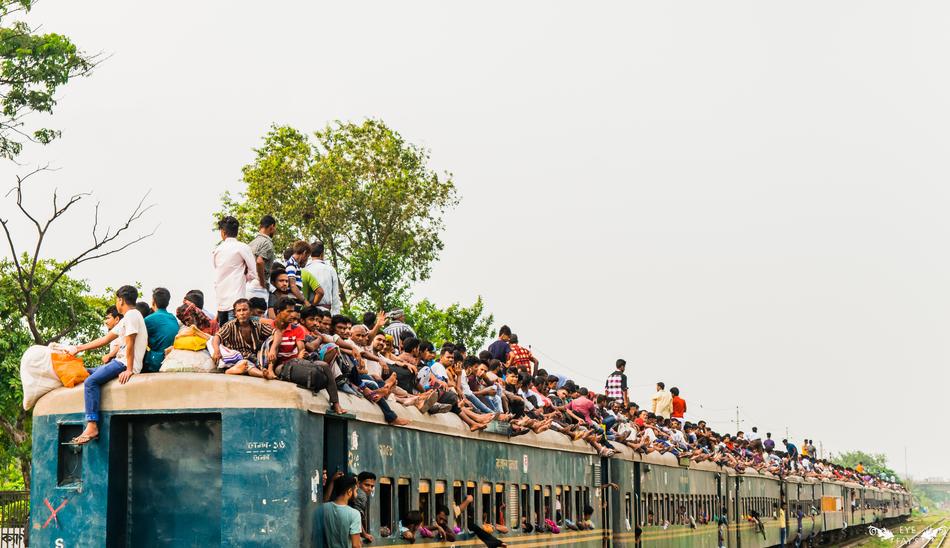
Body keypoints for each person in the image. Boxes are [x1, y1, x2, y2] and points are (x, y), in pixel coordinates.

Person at [64, 286, 146, 445]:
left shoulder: (132, 316)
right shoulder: (128, 317)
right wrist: (78, 348)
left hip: (123, 363)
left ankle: (92, 425)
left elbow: (130, 344)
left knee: (90, 382)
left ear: (120, 300)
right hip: (121, 361)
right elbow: (105, 339)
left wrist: (129, 369)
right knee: (86, 372)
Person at [212, 298, 273, 378]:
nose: (242, 313)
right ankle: (263, 374)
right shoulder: (230, 325)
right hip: (236, 357)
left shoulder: (257, 325)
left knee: (271, 340)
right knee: (246, 364)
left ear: (250, 312)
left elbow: (275, 332)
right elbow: (217, 337)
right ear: (235, 314)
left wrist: (273, 349)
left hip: (253, 357)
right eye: (239, 310)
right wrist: (217, 351)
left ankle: (267, 369)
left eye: (244, 310)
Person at [212, 216, 256, 326]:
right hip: (237, 301)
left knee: (224, 338)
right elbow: (253, 272)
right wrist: (243, 278)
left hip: (221, 302)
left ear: (223, 232)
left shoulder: (217, 250)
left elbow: (217, 272)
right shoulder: (243, 247)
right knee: (235, 338)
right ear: (237, 231)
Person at [319, 474, 363, 548]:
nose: (357, 493)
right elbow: (356, 545)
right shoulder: (354, 514)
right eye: (355, 490)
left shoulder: (323, 508)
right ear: (349, 491)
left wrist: (332, 482)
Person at [142, 287, 178, 373]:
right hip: (172, 358)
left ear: (153, 301)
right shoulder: (173, 318)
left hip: (157, 362)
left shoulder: (148, 320)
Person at [302, 240, 341, 314]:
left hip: (308, 312)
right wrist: (336, 315)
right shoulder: (330, 269)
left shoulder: (304, 270)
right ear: (322, 254)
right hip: (325, 311)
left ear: (310, 254)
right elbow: (335, 296)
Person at [247, 214, 277, 301]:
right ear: (272, 227)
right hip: (258, 284)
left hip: (248, 284)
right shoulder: (267, 243)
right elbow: (259, 261)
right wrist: (262, 282)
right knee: (260, 313)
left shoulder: (251, 243)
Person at [283, 240, 310, 305]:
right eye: (307, 256)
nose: (307, 259)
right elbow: (293, 286)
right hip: (292, 303)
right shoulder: (291, 265)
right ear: (304, 253)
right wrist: (305, 301)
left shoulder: (296, 266)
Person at [351, 472, 376, 544]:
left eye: (372, 486)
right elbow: (356, 517)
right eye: (367, 485)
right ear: (358, 483)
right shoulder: (362, 495)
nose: (370, 489)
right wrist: (364, 534)